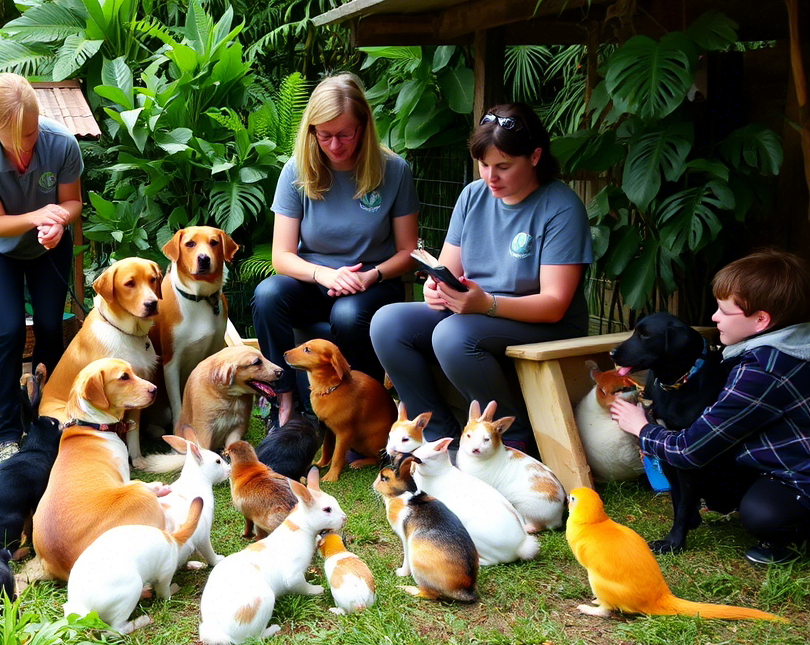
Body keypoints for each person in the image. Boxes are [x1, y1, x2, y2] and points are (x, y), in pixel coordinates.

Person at [370, 102, 591, 450]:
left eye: (503, 166)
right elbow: (446, 270)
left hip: (542, 322)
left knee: (452, 335)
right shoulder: (473, 196)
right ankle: (439, 436)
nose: (491, 177)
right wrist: (435, 289)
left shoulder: (561, 207)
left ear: (534, 157)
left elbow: (554, 305)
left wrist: (486, 304)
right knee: (387, 322)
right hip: (476, 311)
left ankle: (513, 437)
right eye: (484, 164)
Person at [611, 249, 810, 565]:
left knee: (763, 514)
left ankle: (793, 530)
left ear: (761, 320)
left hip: (799, 474)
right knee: (719, 490)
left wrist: (641, 426)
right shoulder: (790, 343)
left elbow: (690, 450)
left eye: (723, 310)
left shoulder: (764, 370)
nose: (714, 317)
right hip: (775, 458)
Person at [251, 73, 420, 431]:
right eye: (324, 135)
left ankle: (359, 407)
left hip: (373, 282)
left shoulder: (394, 170)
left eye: (345, 134)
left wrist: (368, 276)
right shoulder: (296, 170)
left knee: (347, 315)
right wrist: (322, 273)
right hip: (314, 279)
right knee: (267, 296)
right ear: (311, 131)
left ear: (364, 127)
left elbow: (408, 252)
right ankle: (283, 405)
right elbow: (281, 256)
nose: (335, 145)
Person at [0, 73, 83, 459]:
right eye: (13, 141)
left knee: (50, 327)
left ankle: (49, 419)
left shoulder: (62, 143)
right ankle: (9, 432)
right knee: (10, 330)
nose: (24, 150)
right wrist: (40, 216)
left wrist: (58, 222)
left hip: (49, 246)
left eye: (30, 136)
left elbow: (73, 204)